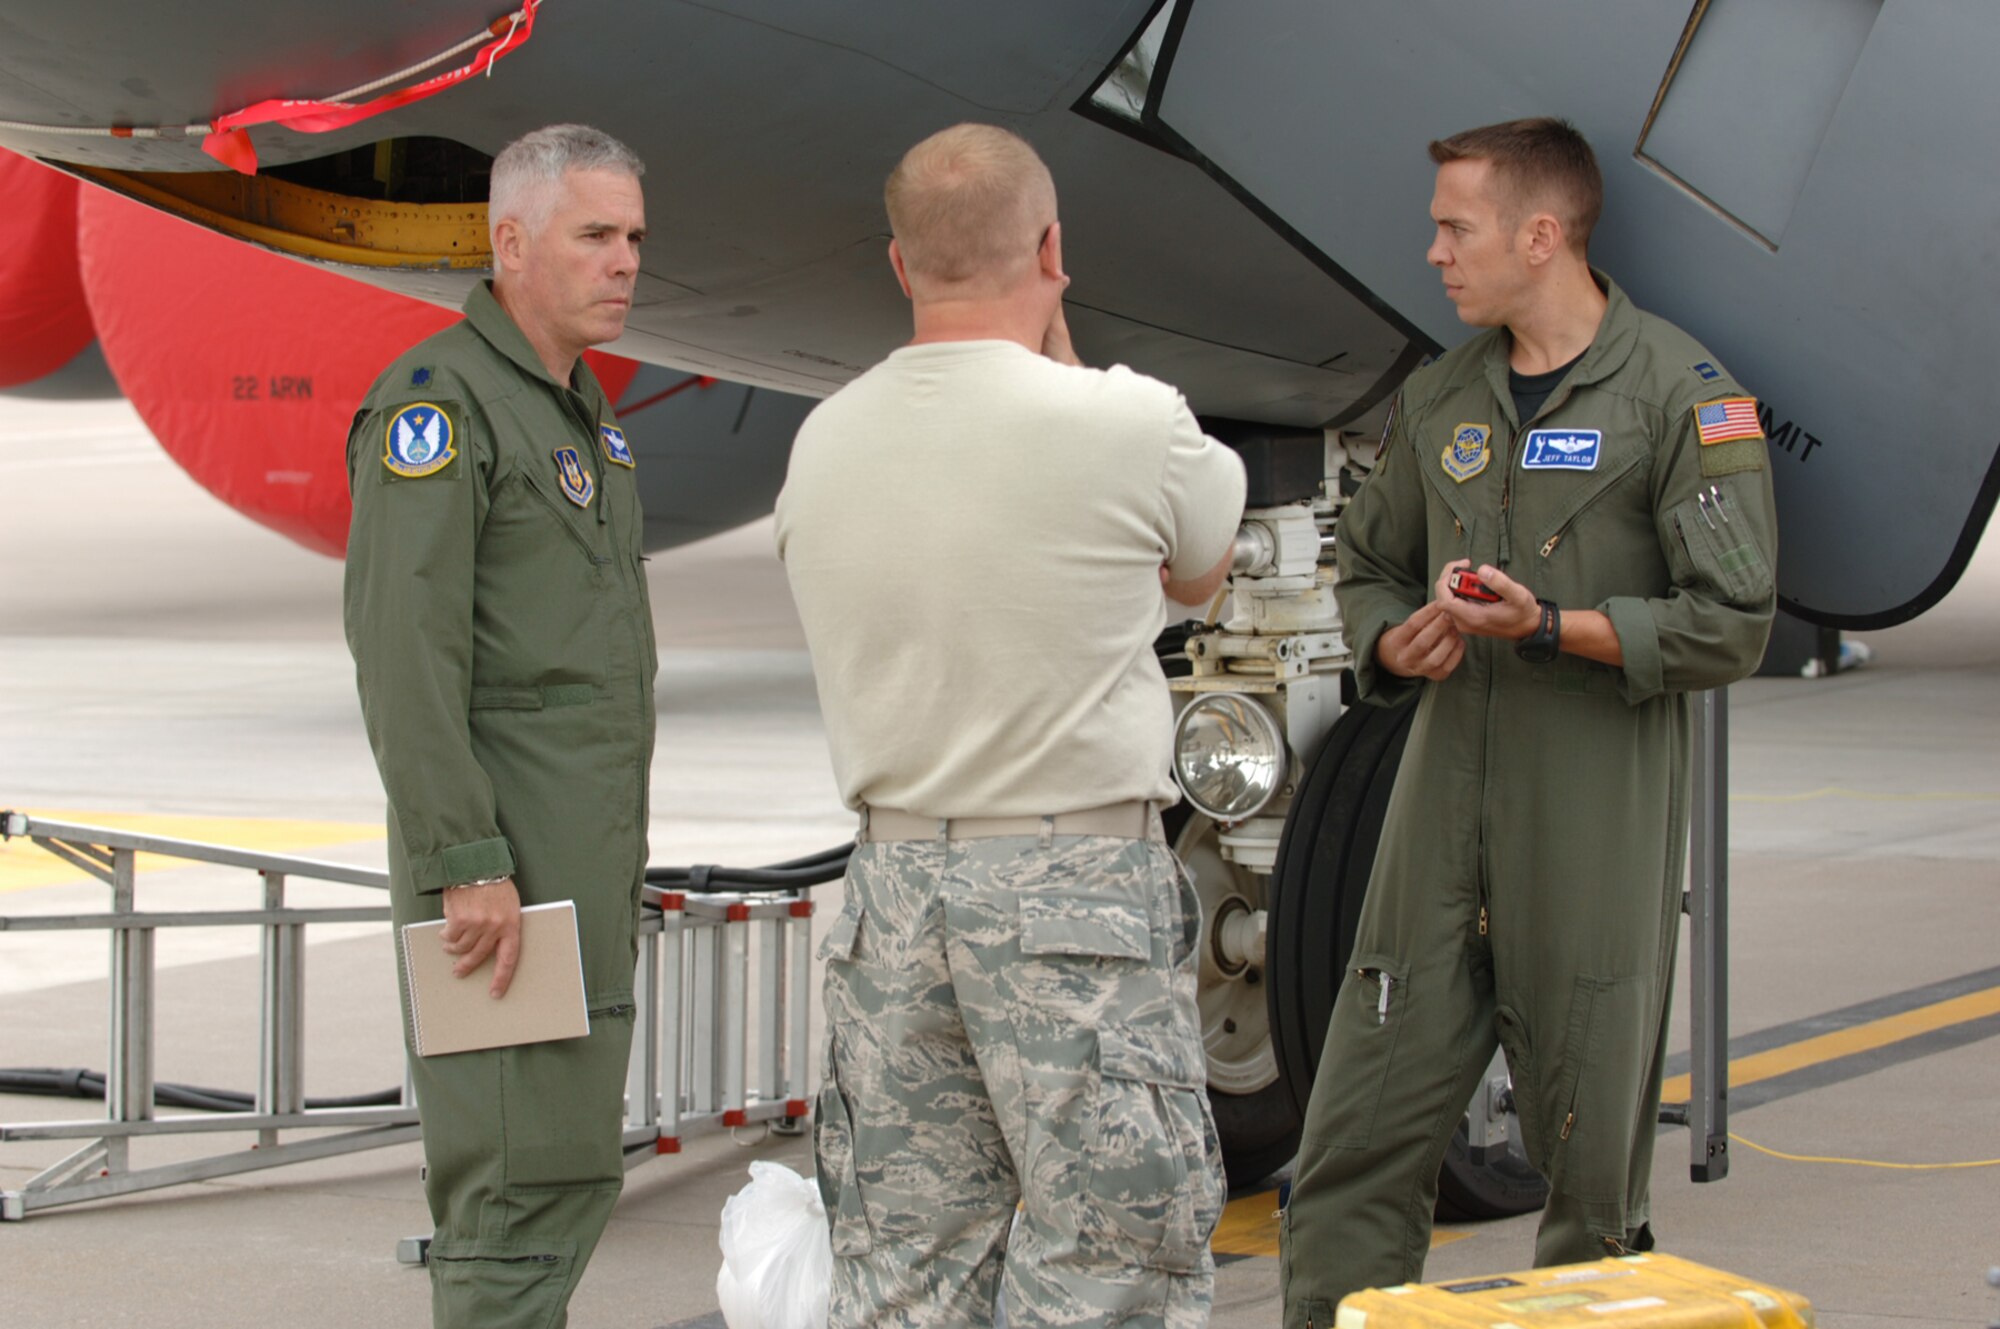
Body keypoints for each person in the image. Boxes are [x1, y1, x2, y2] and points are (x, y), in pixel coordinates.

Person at [1281, 118, 1779, 1323]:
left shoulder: (1682, 399)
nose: (1436, 254)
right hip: (1436, 831)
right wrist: (1389, 641)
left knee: (1589, 1192)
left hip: (1590, 831)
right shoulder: (1441, 394)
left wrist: (1552, 627)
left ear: (1540, 235)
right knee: (1351, 1143)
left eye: (1456, 228)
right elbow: (1370, 567)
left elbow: (1733, 622)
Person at [775, 122, 1246, 1328]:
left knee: (913, 1267)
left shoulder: (822, 442)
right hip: (1069, 885)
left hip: (890, 891)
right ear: (1051, 248)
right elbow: (1199, 573)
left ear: (897, 265)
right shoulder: (1130, 422)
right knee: (1107, 1251)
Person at [342, 123, 655, 1329]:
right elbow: (403, 650)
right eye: (595, 235)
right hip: (502, 891)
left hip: (574, 875)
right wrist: (463, 861)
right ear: (511, 243)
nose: (625, 261)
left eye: (633, 237)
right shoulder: (438, 406)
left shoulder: (577, 413)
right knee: (512, 1195)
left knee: (565, 1169)